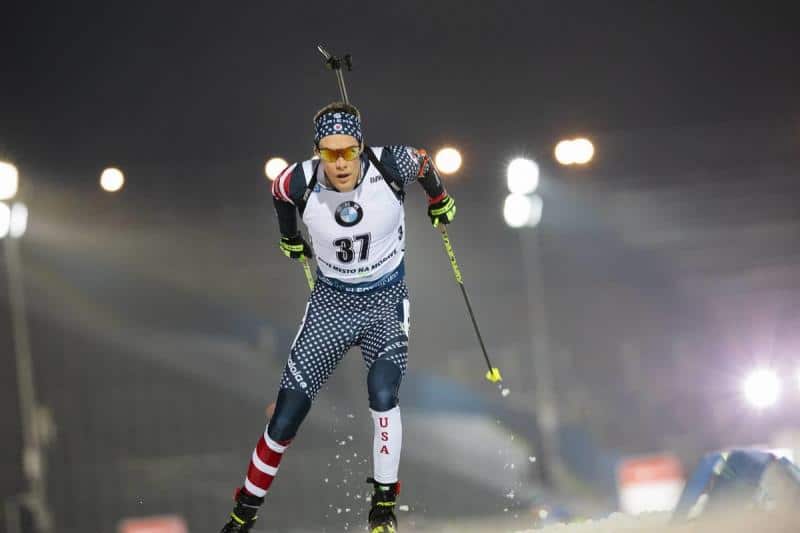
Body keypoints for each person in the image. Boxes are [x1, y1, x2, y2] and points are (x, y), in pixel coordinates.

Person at [219, 102, 456, 533]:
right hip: (332, 304)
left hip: (385, 301)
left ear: (361, 146)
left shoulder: (389, 163)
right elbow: (278, 193)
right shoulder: (299, 179)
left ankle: (383, 509)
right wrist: (289, 237)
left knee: (382, 392)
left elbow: (424, 162)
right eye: (330, 154)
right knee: (286, 415)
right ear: (317, 152)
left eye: (349, 151)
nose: (341, 163)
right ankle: (243, 515)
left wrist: (439, 199)